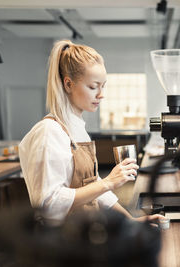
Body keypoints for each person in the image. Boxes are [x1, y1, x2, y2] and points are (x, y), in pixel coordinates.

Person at [19, 39, 162, 224]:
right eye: (93, 87)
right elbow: (48, 204)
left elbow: (94, 188)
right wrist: (108, 182)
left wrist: (131, 221)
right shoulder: (49, 132)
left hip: (84, 235)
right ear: (68, 84)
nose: (101, 94)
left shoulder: (78, 130)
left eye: (103, 86)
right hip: (59, 244)